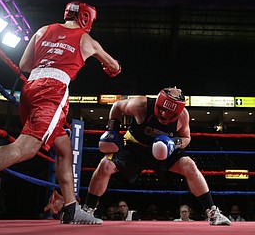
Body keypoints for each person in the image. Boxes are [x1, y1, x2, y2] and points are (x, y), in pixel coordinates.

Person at [0, 0, 121, 225]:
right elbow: (114, 66)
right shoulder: (87, 40)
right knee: (25, 148)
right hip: (53, 91)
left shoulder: (43, 30)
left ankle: (71, 207)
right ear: (87, 18)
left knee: (64, 147)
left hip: (31, 88)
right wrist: (107, 66)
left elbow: (24, 64)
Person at [82, 87, 231, 225]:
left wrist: (173, 143)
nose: (164, 114)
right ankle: (87, 211)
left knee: (189, 165)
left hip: (165, 152)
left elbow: (186, 138)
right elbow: (117, 106)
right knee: (105, 165)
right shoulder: (140, 105)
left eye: (170, 113)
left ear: (177, 112)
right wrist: (113, 130)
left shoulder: (183, 116)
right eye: (161, 110)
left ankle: (212, 213)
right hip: (134, 148)